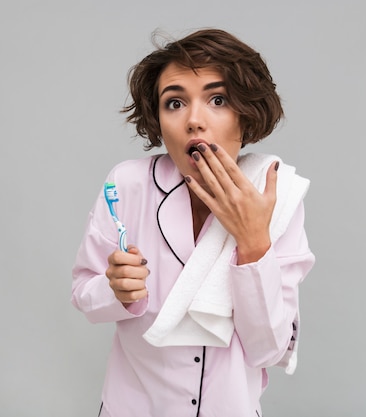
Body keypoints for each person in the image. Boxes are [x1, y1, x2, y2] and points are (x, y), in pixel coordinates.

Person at [71, 28, 315, 417]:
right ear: (159, 118)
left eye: (217, 100)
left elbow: (269, 348)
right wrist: (116, 289)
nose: (194, 121)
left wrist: (253, 243)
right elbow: (85, 295)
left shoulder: (276, 195)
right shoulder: (128, 185)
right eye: (175, 103)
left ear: (245, 115)